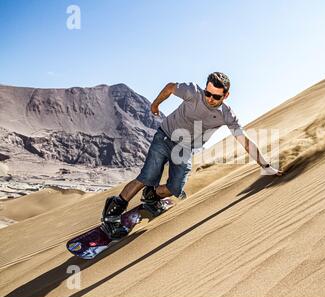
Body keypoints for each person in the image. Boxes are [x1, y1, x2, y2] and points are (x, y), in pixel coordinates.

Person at [101, 72, 283, 238]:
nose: (210, 99)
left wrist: (266, 167)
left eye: (216, 96)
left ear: (226, 95)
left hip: (184, 149)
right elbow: (171, 87)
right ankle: (112, 212)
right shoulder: (193, 92)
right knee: (148, 176)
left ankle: (152, 196)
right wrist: (156, 104)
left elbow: (245, 141)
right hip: (164, 137)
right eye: (208, 93)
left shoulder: (227, 115)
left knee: (175, 189)